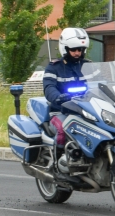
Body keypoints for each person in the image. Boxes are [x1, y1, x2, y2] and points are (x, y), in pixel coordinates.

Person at [43, 27, 90, 182]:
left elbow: (102, 84)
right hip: (60, 112)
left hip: (85, 111)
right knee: (63, 130)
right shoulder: (54, 67)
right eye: (74, 49)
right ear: (65, 48)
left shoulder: (89, 66)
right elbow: (48, 88)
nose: (78, 53)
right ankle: (57, 168)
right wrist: (58, 97)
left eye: (81, 49)